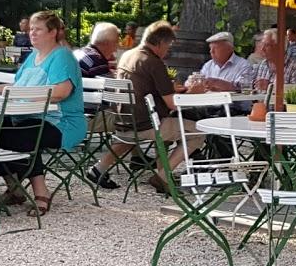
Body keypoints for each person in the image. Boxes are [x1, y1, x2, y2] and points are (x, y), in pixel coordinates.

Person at [86, 21, 206, 194]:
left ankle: (99, 168)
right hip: (147, 125)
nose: (168, 50)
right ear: (161, 43)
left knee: (168, 125)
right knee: (198, 131)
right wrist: (194, 93)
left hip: (123, 120)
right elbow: (172, 103)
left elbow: (143, 85)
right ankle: (163, 176)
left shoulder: (128, 55)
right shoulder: (153, 62)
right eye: (168, 46)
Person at [0, 10, 83, 216]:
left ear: (53, 32)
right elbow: (18, 86)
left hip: (61, 122)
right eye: (31, 29)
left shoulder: (62, 56)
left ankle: (41, 192)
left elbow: (62, 92)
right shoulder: (33, 57)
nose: (32, 33)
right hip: (29, 117)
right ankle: (15, 187)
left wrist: (16, 93)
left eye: (38, 29)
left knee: (26, 137)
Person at [255, 27, 296, 96]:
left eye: (267, 45)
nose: (262, 48)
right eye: (262, 44)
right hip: (261, 106)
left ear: (279, 47)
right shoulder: (263, 65)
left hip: (283, 107)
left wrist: (271, 89)